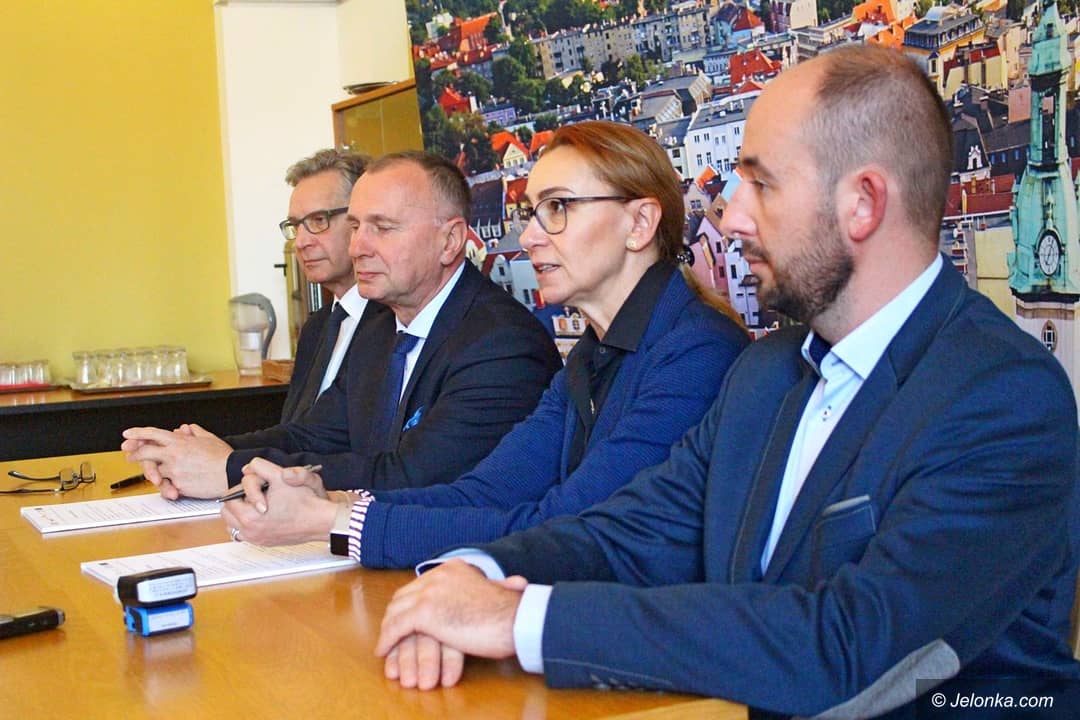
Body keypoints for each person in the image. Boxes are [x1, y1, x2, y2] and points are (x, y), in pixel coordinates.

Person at [372, 45, 1080, 717]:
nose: (732, 216)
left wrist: (520, 618)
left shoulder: (1004, 398)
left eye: (762, 185)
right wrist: (471, 574)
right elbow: (630, 532)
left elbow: (848, 646)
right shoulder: (765, 374)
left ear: (863, 203)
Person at [218, 121, 750, 567]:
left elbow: (571, 525)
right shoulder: (591, 355)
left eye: (558, 208)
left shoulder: (696, 353)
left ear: (640, 223)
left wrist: (335, 520)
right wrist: (335, 502)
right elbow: (485, 491)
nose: (532, 236)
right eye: (532, 213)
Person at [122, 152, 562, 499]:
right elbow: (314, 434)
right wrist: (197, 449)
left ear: (450, 241)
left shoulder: (502, 345)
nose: (357, 248)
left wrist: (229, 468)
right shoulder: (378, 327)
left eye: (382, 228)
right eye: (354, 227)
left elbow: (410, 476)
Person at [277, 149, 374, 423]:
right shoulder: (315, 329)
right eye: (296, 225)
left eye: (319, 220)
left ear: (360, 221)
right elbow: (294, 431)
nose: (301, 242)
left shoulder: (396, 324)